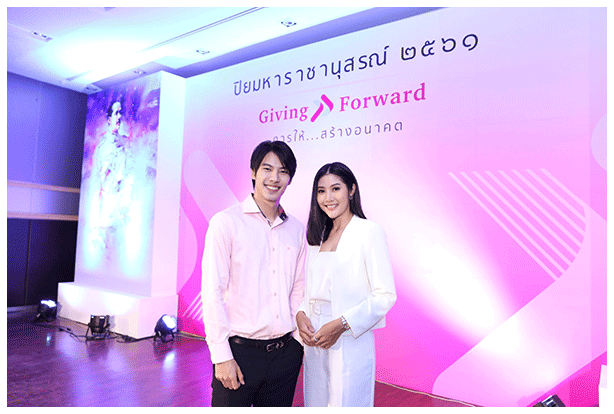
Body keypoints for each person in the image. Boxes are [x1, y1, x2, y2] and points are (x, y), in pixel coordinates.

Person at [201, 140, 305, 407]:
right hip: (239, 353)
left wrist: (296, 345)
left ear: (290, 178)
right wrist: (221, 356)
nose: (274, 178)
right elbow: (212, 291)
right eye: (267, 169)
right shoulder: (227, 222)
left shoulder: (296, 229)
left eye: (283, 171)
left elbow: (299, 288)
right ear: (253, 172)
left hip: (285, 355)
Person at [296, 161, 396, 407]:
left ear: (351, 190)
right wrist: (300, 314)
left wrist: (341, 324)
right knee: (316, 402)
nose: (328, 198)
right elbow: (309, 288)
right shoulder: (317, 236)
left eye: (336, 188)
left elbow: (384, 295)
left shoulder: (369, 232)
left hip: (349, 335)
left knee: (348, 402)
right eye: (321, 191)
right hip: (314, 336)